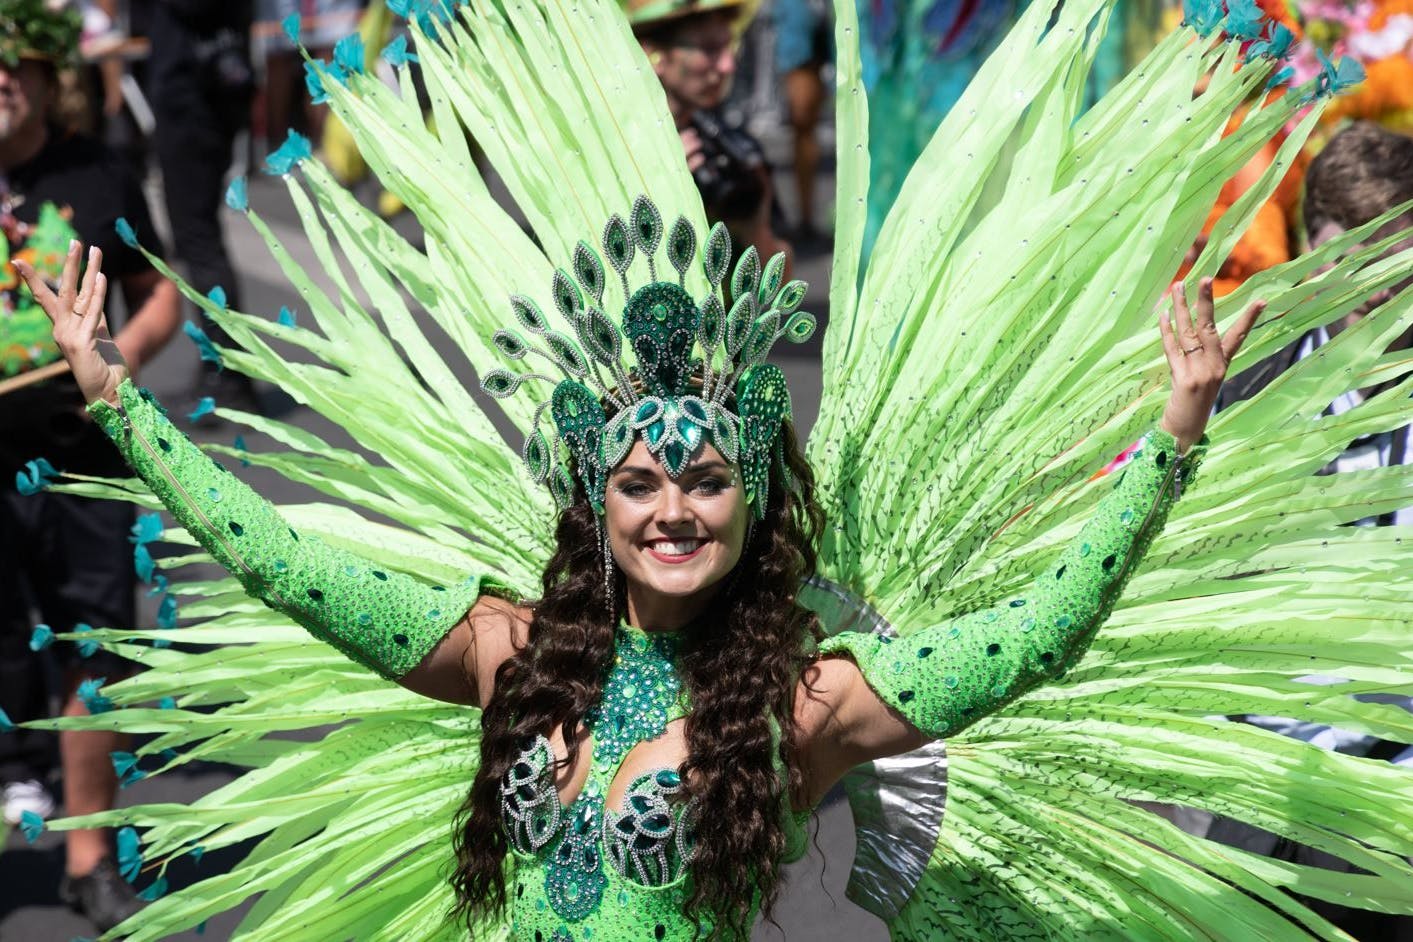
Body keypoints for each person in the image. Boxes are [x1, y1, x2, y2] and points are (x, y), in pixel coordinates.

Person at [11, 0, 1413, 938]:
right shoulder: (510, 653)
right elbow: (280, 562)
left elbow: (1042, 634)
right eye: (638, 485)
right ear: (597, 502)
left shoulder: (806, 703)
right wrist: (122, 406)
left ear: (755, 504)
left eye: (705, 485)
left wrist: (1171, 441)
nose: (672, 510)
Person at [0, 0, 179, 932]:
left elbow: (162, 296)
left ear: (44, 74)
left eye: (13, 62)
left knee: (94, 646)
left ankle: (86, 860)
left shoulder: (97, 173)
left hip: (79, 458)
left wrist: (116, 366)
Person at [137, 0, 259, 413]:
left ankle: (228, 372)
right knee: (198, 240)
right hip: (200, 100)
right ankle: (222, 366)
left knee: (198, 241)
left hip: (195, 105)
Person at [628, 0, 792, 267]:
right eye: (709, 49)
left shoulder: (733, 150)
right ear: (653, 54)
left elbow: (783, 274)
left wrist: (754, 227)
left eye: (730, 46)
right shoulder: (616, 150)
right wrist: (653, 184)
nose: (728, 65)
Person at [771, 0, 830, 252]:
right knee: (804, 121)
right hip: (801, 27)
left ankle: (808, 218)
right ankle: (806, 218)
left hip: (837, 21)